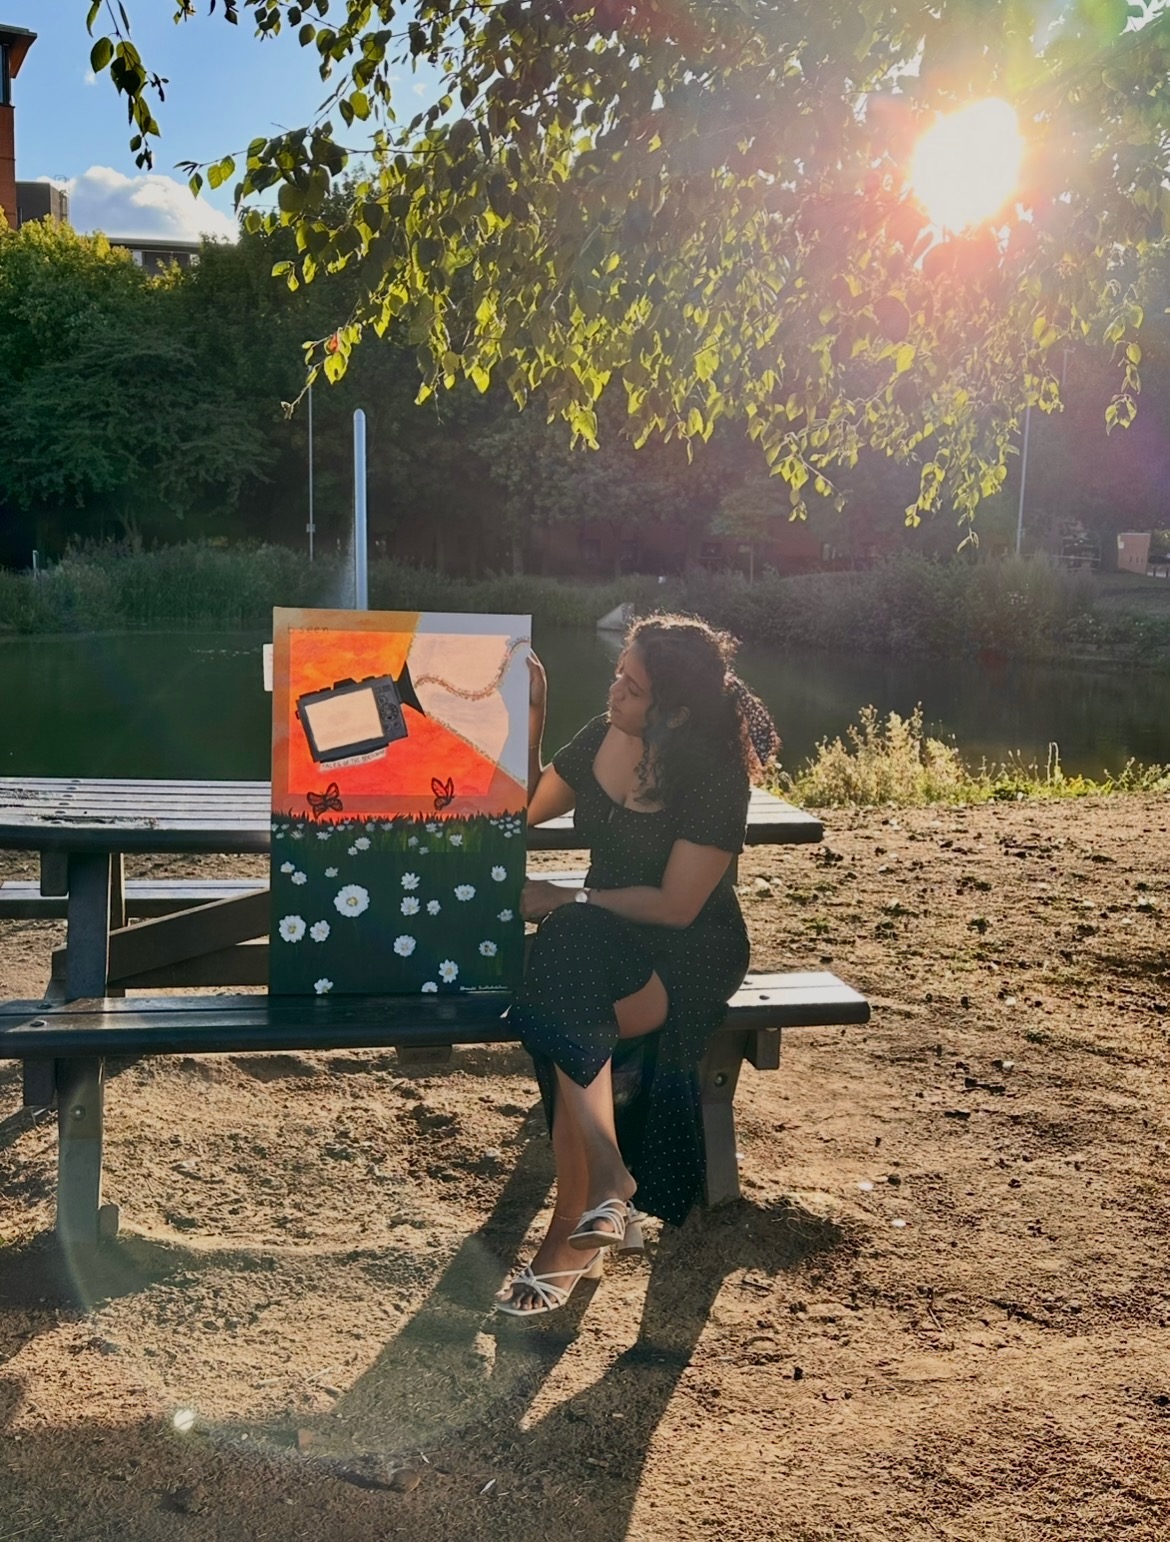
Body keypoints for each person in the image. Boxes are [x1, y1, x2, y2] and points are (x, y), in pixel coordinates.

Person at [495, 614, 779, 1317]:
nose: (614, 689)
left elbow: (679, 906)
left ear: (675, 713)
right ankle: (604, 1192)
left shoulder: (715, 778)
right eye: (618, 673)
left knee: (565, 967)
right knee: (569, 983)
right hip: (601, 945)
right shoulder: (601, 736)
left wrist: (572, 894)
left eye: (633, 685)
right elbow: (524, 809)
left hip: (684, 956)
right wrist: (530, 721)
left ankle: (577, 1227)